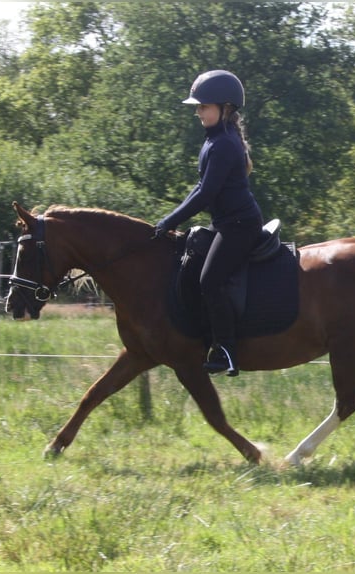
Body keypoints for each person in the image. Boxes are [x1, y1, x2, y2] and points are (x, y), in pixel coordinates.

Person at [154, 70, 264, 377]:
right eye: (198, 106)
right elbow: (200, 187)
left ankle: (227, 350)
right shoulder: (215, 141)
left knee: (210, 280)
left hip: (240, 226)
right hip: (227, 224)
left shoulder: (224, 144)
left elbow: (206, 194)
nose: (198, 111)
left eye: (203, 106)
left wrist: (169, 220)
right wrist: (169, 221)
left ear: (225, 108)